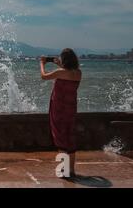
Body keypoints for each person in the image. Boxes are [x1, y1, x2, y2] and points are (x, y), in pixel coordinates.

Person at [40, 48, 82, 177]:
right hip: (71, 108)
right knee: (70, 136)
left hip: (59, 108)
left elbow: (44, 76)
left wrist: (42, 63)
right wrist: (59, 65)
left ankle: (64, 171)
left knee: (60, 136)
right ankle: (71, 170)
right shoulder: (78, 73)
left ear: (64, 60)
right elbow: (67, 72)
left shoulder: (60, 72)